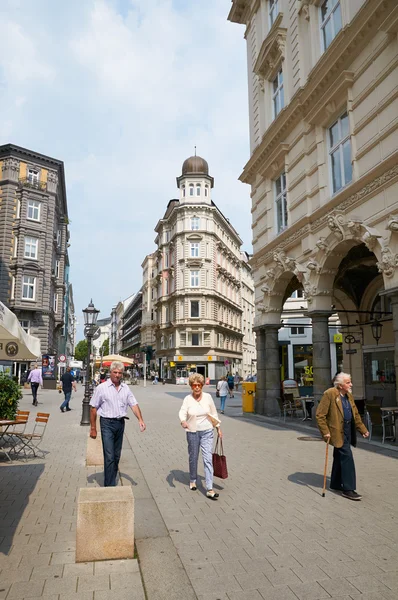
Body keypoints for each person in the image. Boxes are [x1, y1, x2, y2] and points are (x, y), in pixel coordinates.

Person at [89, 361, 146, 486]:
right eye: (115, 372)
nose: (117, 375)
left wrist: (140, 419)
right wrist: (93, 428)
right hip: (106, 423)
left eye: (120, 373)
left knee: (116, 455)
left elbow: (134, 404)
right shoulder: (101, 388)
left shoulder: (125, 388)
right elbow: (93, 408)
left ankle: (112, 479)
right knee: (109, 456)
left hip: (120, 423)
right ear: (110, 373)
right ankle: (109, 485)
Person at [316, 372, 369, 501]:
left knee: (340, 455)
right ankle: (348, 489)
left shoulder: (348, 396)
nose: (351, 384)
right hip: (336, 431)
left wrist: (362, 429)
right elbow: (320, 415)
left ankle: (335, 483)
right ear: (340, 385)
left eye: (350, 382)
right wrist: (325, 431)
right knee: (347, 457)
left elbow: (355, 414)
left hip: (347, 429)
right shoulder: (329, 394)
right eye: (348, 382)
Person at [179, 373, 223, 500]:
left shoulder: (208, 397)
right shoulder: (187, 399)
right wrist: (183, 420)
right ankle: (193, 479)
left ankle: (209, 488)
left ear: (202, 386)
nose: (197, 388)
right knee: (193, 457)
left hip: (207, 431)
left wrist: (218, 428)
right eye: (194, 385)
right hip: (192, 431)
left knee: (207, 458)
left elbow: (214, 413)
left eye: (199, 385)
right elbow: (182, 411)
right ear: (191, 386)